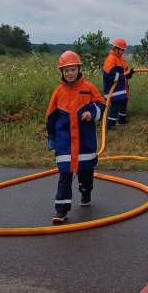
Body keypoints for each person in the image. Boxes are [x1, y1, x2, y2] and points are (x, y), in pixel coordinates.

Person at [46, 51, 105, 224]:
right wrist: (52, 137)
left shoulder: (88, 87)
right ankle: (61, 211)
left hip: (85, 143)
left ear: (78, 68)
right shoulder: (58, 92)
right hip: (65, 143)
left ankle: (86, 190)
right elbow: (50, 116)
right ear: (61, 72)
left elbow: (101, 104)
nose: (70, 73)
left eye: (72, 69)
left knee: (86, 171)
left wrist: (92, 112)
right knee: (64, 175)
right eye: (66, 70)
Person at [102, 37, 135, 130]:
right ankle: (110, 125)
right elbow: (109, 75)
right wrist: (122, 76)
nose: (123, 52)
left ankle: (122, 120)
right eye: (122, 50)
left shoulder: (121, 60)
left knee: (124, 103)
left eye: (123, 50)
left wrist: (130, 73)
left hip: (121, 89)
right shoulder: (111, 59)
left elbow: (125, 74)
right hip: (112, 90)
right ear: (116, 49)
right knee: (115, 107)